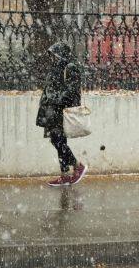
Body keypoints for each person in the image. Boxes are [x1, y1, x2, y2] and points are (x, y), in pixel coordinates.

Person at [35, 42, 87, 186]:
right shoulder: (55, 68)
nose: (52, 57)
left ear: (62, 54)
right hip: (52, 111)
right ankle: (65, 174)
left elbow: (71, 91)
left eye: (55, 54)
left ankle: (78, 166)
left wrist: (55, 99)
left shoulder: (70, 68)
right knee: (57, 141)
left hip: (60, 110)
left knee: (59, 141)